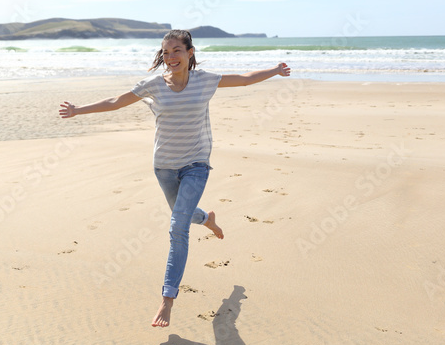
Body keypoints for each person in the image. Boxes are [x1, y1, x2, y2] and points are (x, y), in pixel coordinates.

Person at [58, 29, 291, 327]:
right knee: (183, 214)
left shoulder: (205, 81)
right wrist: (78, 110)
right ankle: (207, 218)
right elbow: (117, 100)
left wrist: (275, 70)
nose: (171, 57)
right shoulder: (154, 85)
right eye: (166, 52)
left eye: (177, 51)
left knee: (177, 227)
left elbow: (244, 79)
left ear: (190, 52)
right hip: (164, 167)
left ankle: (167, 299)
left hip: (196, 164)